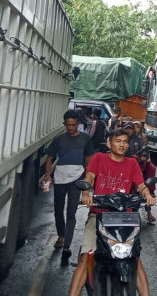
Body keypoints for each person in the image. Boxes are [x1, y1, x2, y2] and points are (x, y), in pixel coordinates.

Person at [69, 129, 156, 296]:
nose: (122, 144)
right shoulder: (99, 158)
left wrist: (148, 195)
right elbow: (89, 177)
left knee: (135, 259)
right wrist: (86, 194)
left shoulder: (132, 163)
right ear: (109, 143)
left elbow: (141, 185)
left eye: (125, 141)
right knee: (86, 257)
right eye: (118, 141)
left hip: (126, 219)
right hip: (99, 216)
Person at [43, 110, 95, 263]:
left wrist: (88, 179)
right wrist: (47, 175)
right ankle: (61, 235)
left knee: (71, 212)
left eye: (73, 125)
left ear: (78, 124)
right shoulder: (59, 140)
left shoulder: (85, 139)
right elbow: (49, 158)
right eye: (68, 125)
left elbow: (89, 161)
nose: (71, 128)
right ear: (64, 124)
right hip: (59, 178)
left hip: (76, 179)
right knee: (58, 210)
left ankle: (67, 246)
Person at [137, 149, 157, 223]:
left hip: (144, 185)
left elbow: (150, 183)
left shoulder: (151, 168)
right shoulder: (133, 163)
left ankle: (149, 213)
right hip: (133, 185)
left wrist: (150, 192)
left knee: (148, 195)